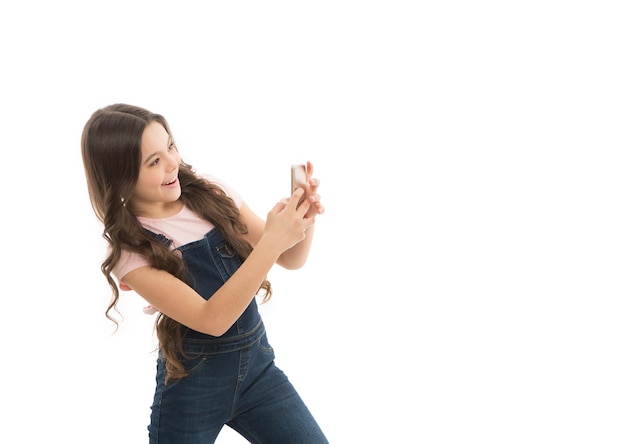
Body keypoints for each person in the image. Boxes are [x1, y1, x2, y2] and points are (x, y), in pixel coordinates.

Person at [81, 103, 328, 443]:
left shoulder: (211, 194)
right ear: (121, 177)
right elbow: (212, 319)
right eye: (154, 161)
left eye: (170, 146)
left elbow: (290, 259)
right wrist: (272, 239)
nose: (173, 163)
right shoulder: (130, 248)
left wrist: (302, 218)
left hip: (258, 372)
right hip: (192, 388)